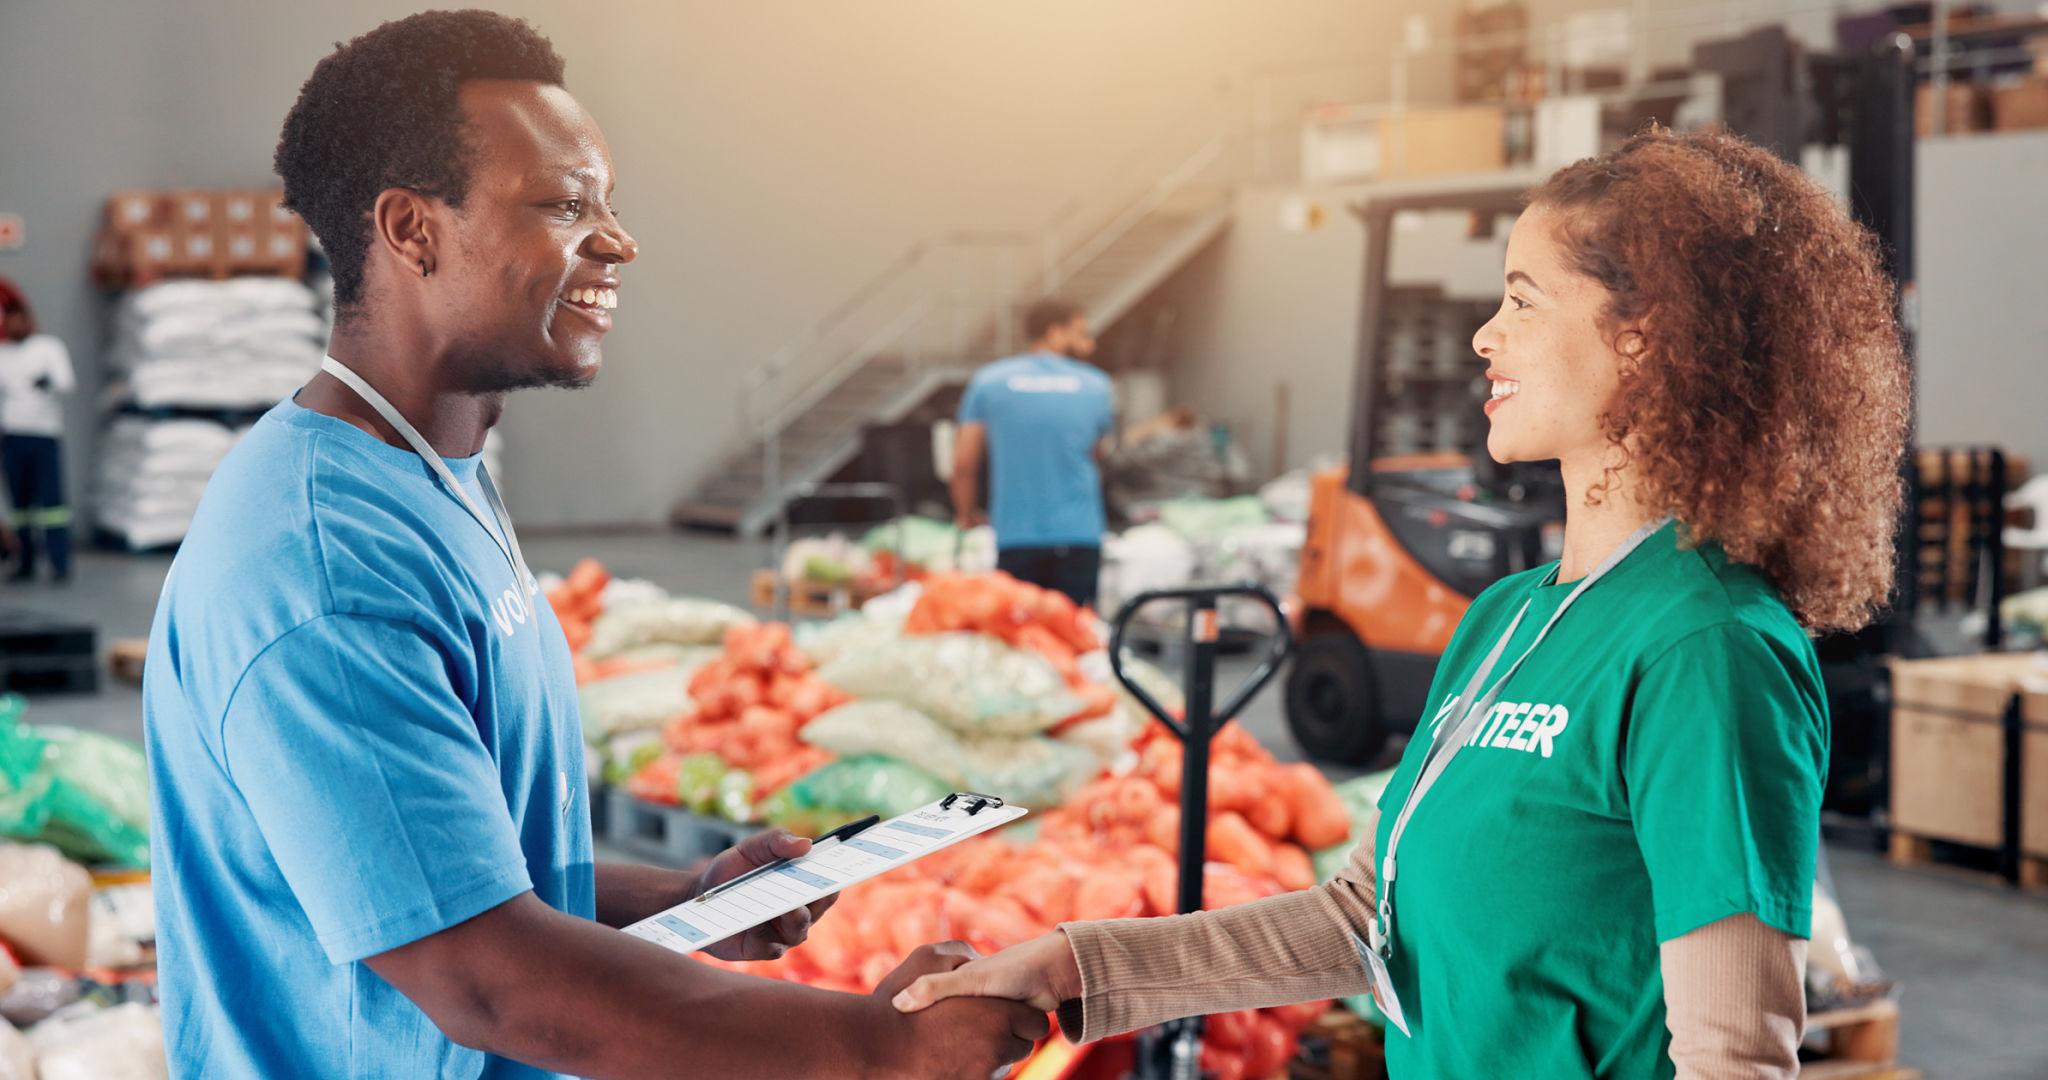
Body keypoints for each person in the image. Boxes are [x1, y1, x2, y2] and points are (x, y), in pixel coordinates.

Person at [895, 126, 1912, 1079]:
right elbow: (1360, 920)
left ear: (1642, 339)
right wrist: (1072, 969)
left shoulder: (1706, 651)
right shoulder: (1506, 620)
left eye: (1520, 300)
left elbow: (1732, 1057)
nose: (1482, 337)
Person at [144, 12, 1044, 1079]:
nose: (617, 241)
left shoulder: (436, 475)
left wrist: (678, 900)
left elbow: (445, 870)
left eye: (608, 204)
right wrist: (868, 1049)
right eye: (566, 205)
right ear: (411, 230)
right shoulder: (326, 565)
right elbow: (487, 977)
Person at [952, 298, 1113, 607]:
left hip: (1016, 537)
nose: (1088, 343)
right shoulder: (1097, 386)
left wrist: (965, 515)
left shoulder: (989, 382)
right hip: (1079, 535)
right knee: (1073, 639)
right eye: (1079, 333)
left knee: (1022, 644)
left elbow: (963, 464)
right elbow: (1097, 453)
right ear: (1054, 333)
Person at [0, 278, 75, 581]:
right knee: (20, 506)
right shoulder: (3, 354)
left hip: (44, 435)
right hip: (12, 436)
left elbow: (67, 382)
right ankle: (25, 561)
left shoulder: (48, 348)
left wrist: (47, 383)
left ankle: (59, 562)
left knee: (52, 504)